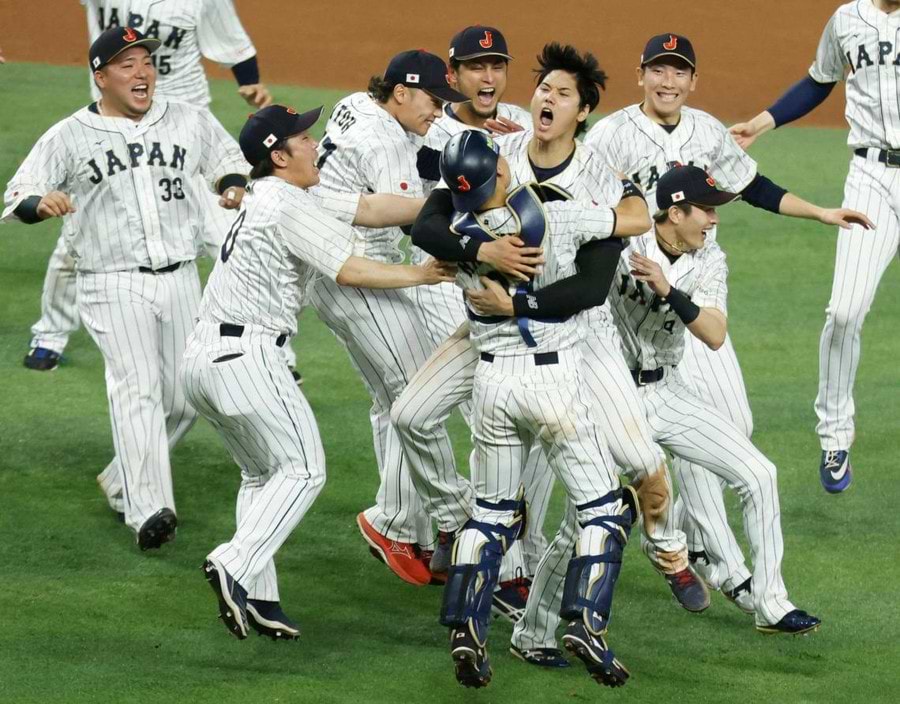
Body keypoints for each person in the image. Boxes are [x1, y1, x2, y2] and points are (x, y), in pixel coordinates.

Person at [402, 42, 703, 669]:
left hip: (536, 342)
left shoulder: (577, 171)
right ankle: (561, 604)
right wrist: (494, 254)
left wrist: (478, 256)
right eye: (544, 88)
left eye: (563, 93)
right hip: (529, 347)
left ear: (583, 110)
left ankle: (508, 592)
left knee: (634, 459)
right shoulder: (521, 169)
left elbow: (433, 220)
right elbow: (617, 235)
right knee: (415, 416)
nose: (546, 97)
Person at [584, 32, 872, 604]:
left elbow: (753, 186)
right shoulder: (611, 135)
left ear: (693, 82)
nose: (668, 82)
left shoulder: (709, 131)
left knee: (732, 428)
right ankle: (718, 560)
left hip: (693, 288)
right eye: (658, 71)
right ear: (640, 75)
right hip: (626, 299)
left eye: (679, 73)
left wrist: (816, 212)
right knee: (654, 436)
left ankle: (686, 541)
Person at [511, 166, 823, 642]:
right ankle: (534, 633)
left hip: (666, 393)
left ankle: (771, 603)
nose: (714, 220)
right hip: (609, 398)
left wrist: (668, 290)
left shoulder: (710, 258)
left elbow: (714, 334)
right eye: (707, 209)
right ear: (674, 212)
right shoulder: (626, 246)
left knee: (760, 474)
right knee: (587, 521)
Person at [183, 104, 452, 641]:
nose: (315, 145)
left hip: (205, 360)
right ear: (279, 156)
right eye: (303, 138)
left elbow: (370, 208)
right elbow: (351, 269)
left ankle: (258, 595)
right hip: (248, 358)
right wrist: (419, 274)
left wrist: (433, 203)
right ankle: (233, 563)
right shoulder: (287, 203)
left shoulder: (267, 194)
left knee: (261, 475)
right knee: (304, 470)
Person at [2, 26, 249, 549]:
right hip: (111, 281)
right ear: (100, 77)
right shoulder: (68, 135)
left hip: (181, 276)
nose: (142, 73)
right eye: (127, 65)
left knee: (187, 398)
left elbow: (228, 158)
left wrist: (231, 185)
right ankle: (148, 510)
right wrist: (38, 204)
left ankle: (120, 479)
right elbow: (18, 191)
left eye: (146, 63)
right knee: (135, 388)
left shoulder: (187, 117)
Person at [432, 129, 642, 689]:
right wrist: (629, 185)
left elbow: (430, 221)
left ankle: (465, 629)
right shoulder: (561, 218)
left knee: (492, 515)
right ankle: (585, 621)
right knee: (603, 509)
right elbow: (635, 222)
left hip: (492, 385)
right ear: (499, 172)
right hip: (552, 382)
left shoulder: (458, 232)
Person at [25, 0, 272, 374]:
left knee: (230, 239)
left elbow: (231, 39)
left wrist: (249, 80)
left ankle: (268, 348)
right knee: (79, 240)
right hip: (112, 132)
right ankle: (50, 334)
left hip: (183, 134)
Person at [311, 49, 469, 587]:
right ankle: (424, 522)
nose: (438, 112)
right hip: (354, 273)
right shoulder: (383, 140)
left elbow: (422, 145)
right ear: (400, 92)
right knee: (413, 394)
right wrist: (465, 207)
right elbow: (403, 214)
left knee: (394, 399)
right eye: (432, 100)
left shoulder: (360, 103)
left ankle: (405, 524)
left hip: (345, 265)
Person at [729, 0, 900, 493]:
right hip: (870, 178)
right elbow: (819, 80)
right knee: (844, 312)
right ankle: (835, 434)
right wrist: (761, 123)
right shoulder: (847, 19)